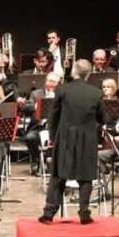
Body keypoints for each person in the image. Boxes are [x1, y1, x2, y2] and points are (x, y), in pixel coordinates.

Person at [39, 59, 104, 225]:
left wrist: (53, 138)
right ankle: (84, 214)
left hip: (65, 138)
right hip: (87, 139)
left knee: (58, 175)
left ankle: (48, 214)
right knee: (86, 177)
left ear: (74, 71)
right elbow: (102, 118)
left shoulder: (63, 89)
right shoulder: (96, 93)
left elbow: (53, 116)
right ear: (89, 74)